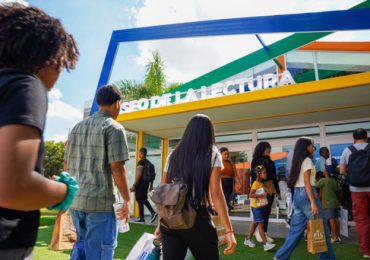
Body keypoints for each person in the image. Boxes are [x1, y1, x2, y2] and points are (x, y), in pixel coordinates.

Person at [0, 3, 79, 259]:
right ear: (50, 57)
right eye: (62, 65)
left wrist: (42, 185)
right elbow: (13, 187)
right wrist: (62, 192)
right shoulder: (25, 84)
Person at [154, 114, 237, 259]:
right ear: (208, 133)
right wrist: (229, 231)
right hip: (198, 219)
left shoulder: (173, 154)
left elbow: (164, 193)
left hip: (171, 220)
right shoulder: (212, 153)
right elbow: (216, 193)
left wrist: (160, 223)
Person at [65, 85, 131, 260]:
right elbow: (117, 167)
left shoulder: (76, 128)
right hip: (101, 205)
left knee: (81, 249)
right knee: (100, 252)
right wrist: (126, 200)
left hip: (76, 203)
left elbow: (67, 164)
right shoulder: (114, 128)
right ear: (117, 103)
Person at [274, 137, 335, 260]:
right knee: (321, 227)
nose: (313, 148)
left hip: (298, 195)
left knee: (295, 232)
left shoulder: (297, 161)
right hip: (307, 195)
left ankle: (280, 257)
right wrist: (313, 202)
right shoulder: (307, 160)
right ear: (306, 147)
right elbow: (307, 182)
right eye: (312, 146)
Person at [340, 128, 370, 258]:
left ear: (354, 138)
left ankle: (366, 251)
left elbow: (342, 171)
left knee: (362, 221)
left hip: (356, 190)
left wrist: (352, 175)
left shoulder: (348, 150)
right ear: (367, 137)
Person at [251, 142, 280, 243]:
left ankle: (264, 232)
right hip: (260, 187)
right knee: (261, 211)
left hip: (270, 187)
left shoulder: (271, 162)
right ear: (262, 149)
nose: (269, 150)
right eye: (267, 148)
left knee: (267, 211)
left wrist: (278, 191)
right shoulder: (256, 160)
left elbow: (275, 177)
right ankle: (259, 233)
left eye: (269, 148)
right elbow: (254, 174)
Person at [244, 165, 277, 252]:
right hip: (256, 208)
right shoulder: (255, 183)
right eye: (264, 172)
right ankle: (266, 244)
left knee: (255, 223)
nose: (266, 174)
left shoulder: (260, 183)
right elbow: (250, 195)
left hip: (260, 206)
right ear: (259, 174)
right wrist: (261, 195)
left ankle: (247, 240)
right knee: (261, 225)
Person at [130, 147, 158, 224]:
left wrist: (134, 185)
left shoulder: (141, 162)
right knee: (141, 199)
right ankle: (142, 218)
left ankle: (152, 213)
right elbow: (153, 175)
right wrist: (151, 185)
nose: (139, 154)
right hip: (146, 183)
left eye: (139, 153)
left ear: (142, 153)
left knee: (140, 198)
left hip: (141, 183)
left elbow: (139, 174)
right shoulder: (149, 163)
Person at [316, 171, 341, 244]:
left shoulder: (323, 181)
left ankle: (334, 237)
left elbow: (315, 185)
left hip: (328, 203)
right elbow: (339, 190)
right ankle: (338, 236)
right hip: (335, 202)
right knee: (336, 219)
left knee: (331, 220)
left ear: (326, 172)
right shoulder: (334, 181)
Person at [219, 147, 240, 212]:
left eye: (228, 154)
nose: (227, 155)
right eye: (225, 154)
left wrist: (239, 184)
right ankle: (221, 213)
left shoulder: (231, 163)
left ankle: (225, 212)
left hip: (230, 183)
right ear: (220, 154)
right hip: (221, 183)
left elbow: (235, 175)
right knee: (222, 199)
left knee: (227, 199)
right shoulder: (218, 163)